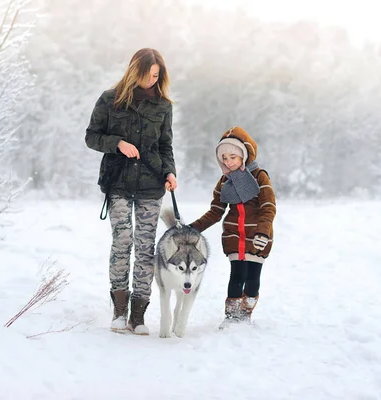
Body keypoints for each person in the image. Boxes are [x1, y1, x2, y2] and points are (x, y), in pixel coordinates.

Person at [85, 48, 177, 335]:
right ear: (134, 70)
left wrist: (170, 171)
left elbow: (165, 145)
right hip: (119, 181)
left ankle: (138, 315)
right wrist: (118, 144)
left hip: (152, 183)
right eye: (148, 74)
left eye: (156, 75)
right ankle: (119, 311)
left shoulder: (163, 105)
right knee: (122, 241)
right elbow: (92, 136)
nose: (152, 80)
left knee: (145, 247)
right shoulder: (110, 100)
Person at [189, 126, 276, 328]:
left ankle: (245, 315)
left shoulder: (259, 176)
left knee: (252, 278)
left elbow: (268, 206)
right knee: (236, 275)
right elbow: (216, 211)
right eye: (224, 158)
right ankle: (231, 317)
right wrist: (193, 228)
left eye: (233, 157)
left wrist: (263, 231)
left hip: (257, 236)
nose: (228, 162)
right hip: (234, 235)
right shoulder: (224, 181)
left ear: (244, 155)